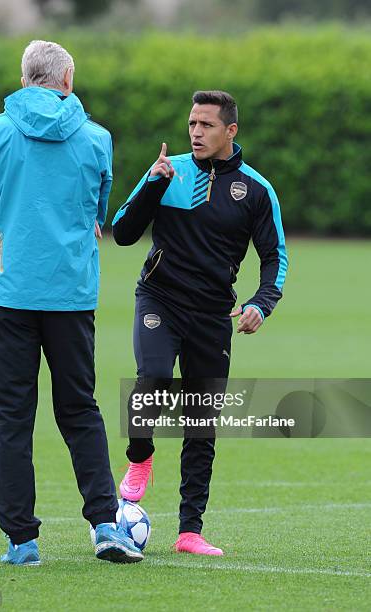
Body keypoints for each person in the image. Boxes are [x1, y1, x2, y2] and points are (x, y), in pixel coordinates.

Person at [0, 40, 143, 565]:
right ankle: (106, 525)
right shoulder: (96, 138)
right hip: (70, 292)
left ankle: (21, 540)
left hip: (9, 289)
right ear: (67, 79)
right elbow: (99, 208)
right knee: (80, 409)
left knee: (11, 419)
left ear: (27, 78)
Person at [112, 90, 288, 555]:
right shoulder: (169, 172)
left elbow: (275, 258)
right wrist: (152, 183)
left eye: (206, 125)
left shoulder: (255, 190)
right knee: (150, 378)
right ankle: (140, 457)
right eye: (192, 123)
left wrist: (261, 303)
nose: (195, 132)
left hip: (213, 314)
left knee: (201, 419)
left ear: (230, 131)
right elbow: (123, 232)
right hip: (159, 298)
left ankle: (189, 531)